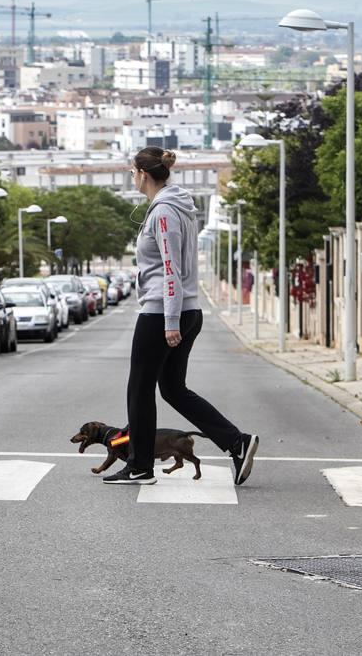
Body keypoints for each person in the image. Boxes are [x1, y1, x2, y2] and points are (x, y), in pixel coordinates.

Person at [103, 147, 260, 486]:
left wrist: (170, 321)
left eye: (132, 172)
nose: (131, 177)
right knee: (172, 388)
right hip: (184, 308)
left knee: (139, 388)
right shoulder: (176, 207)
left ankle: (141, 465)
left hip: (164, 311)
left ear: (143, 174)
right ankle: (237, 442)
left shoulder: (164, 213)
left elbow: (171, 269)